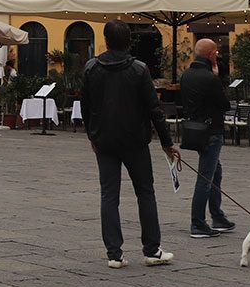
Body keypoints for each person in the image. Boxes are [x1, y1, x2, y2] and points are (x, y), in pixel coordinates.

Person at [80, 19, 180, 269]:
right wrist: (167, 143)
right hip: (135, 141)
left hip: (104, 140)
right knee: (145, 192)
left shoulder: (91, 67)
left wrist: (91, 135)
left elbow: (85, 106)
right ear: (128, 42)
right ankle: (152, 250)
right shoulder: (139, 69)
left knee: (109, 195)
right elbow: (154, 109)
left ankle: (114, 254)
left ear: (105, 40)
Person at [178, 38, 235, 238]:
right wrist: (217, 78)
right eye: (216, 53)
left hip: (195, 129)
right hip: (212, 131)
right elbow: (224, 104)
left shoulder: (186, 75)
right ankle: (198, 223)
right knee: (205, 177)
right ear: (211, 55)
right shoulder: (210, 79)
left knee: (215, 172)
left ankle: (218, 216)